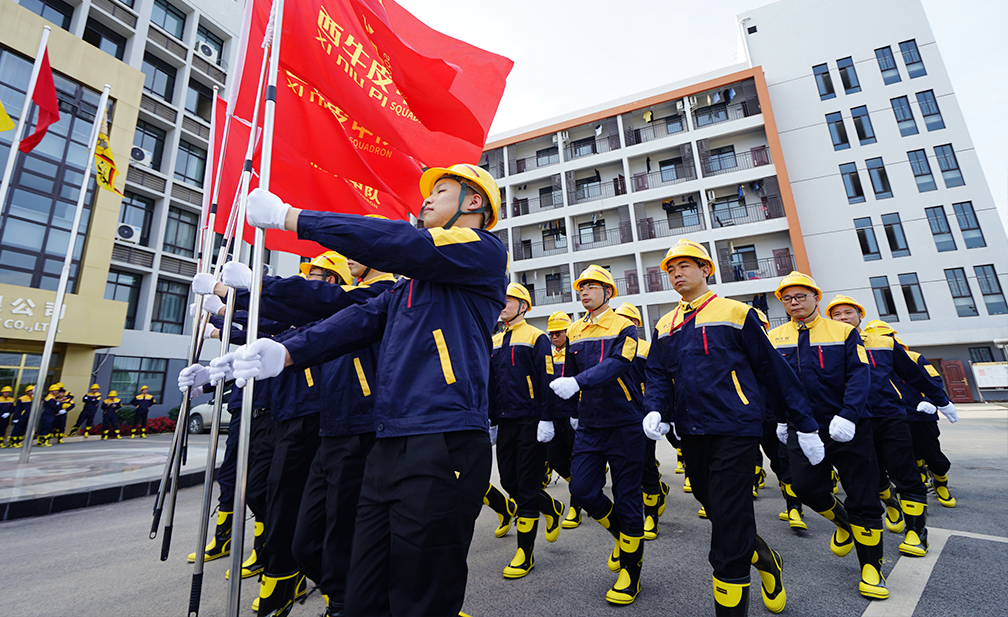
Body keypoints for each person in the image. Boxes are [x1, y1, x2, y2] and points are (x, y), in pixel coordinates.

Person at [227, 163, 507, 616]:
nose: (427, 200)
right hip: (389, 441)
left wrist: (293, 218)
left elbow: (401, 243)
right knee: (363, 595)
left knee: (421, 597)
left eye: (440, 190)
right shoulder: (408, 288)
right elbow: (354, 321)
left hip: (443, 438)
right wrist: (286, 354)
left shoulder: (484, 253)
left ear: (474, 202)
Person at [643, 240, 825, 616]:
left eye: (685, 267)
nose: (676, 274)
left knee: (725, 531)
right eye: (671, 270)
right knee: (718, 510)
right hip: (691, 432)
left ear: (706, 269)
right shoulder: (666, 323)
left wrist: (803, 424)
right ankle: (766, 558)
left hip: (736, 428)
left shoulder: (735, 312)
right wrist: (655, 408)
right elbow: (659, 373)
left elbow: (773, 370)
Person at [767, 277, 884, 600]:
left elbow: (861, 375)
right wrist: (780, 419)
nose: (794, 302)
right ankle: (845, 523)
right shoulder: (775, 337)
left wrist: (848, 415)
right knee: (804, 487)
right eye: (787, 298)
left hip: (848, 427)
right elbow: (774, 383)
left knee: (863, 496)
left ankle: (871, 567)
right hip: (802, 428)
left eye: (800, 296)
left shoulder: (843, 332)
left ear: (816, 298)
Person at [826, 294, 956, 561]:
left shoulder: (884, 343)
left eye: (847, 313)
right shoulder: (830, 345)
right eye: (836, 315)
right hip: (854, 420)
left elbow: (913, 374)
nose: (842, 318)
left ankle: (916, 532)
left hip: (890, 416)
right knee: (865, 476)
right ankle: (889, 506)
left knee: (905, 472)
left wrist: (940, 400)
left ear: (860, 315)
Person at [549, 265, 644, 605]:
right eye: (582, 288)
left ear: (609, 292)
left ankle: (631, 572)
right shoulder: (575, 329)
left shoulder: (625, 327)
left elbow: (620, 363)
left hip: (625, 423)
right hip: (589, 424)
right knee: (583, 489)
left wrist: (579, 383)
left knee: (628, 495)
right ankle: (623, 537)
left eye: (592, 287)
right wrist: (571, 412)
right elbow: (569, 375)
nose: (585, 292)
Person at [488, 282, 563, 579]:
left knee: (528, 487)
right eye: (501, 300)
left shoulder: (536, 337)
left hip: (531, 420)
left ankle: (524, 553)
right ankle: (552, 507)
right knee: (510, 481)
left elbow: (545, 380)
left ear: (524, 306)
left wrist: (547, 418)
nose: (503, 304)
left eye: (509, 300)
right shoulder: (494, 340)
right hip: (505, 420)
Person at [862, 320, 958, 508]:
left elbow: (933, 381)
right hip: (892, 415)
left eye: (886, 337)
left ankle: (940, 481)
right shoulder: (870, 359)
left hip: (920, 415)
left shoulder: (914, 357)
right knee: (904, 458)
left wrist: (931, 402)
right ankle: (914, 493)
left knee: (934, 456)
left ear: (893, 337)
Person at [614, 302, 670, 541]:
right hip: (618, 416)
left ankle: (652, 516)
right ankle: (644, 503)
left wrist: (662, 414)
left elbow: (660, 381)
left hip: (643, 415)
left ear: (636, 324)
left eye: (628, 319)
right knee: (627, 467)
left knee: (646, 465)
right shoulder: (612, 347)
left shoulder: (648, 348)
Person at [545, 311, 583, 529]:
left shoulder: (575, 354)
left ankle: (575, 507)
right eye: (551, 334)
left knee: (575, 461)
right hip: (554, 417)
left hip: (573, 417)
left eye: (558, 333)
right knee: (556, 460)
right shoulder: (548, 356)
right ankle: (579, 488)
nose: (554, 337)